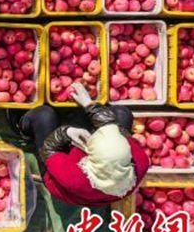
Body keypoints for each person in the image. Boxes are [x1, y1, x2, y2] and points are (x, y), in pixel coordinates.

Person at [9, 82, 149, 206]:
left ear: (88, 155)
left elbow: (49, 149)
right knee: (122, 113)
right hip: (103, 169)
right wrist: (89, 105)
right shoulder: (140, 160)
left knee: (44, 115)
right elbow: (115, 130)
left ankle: (22, 125)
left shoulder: (74, 178)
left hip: (58, 171)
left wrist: (66, 133)